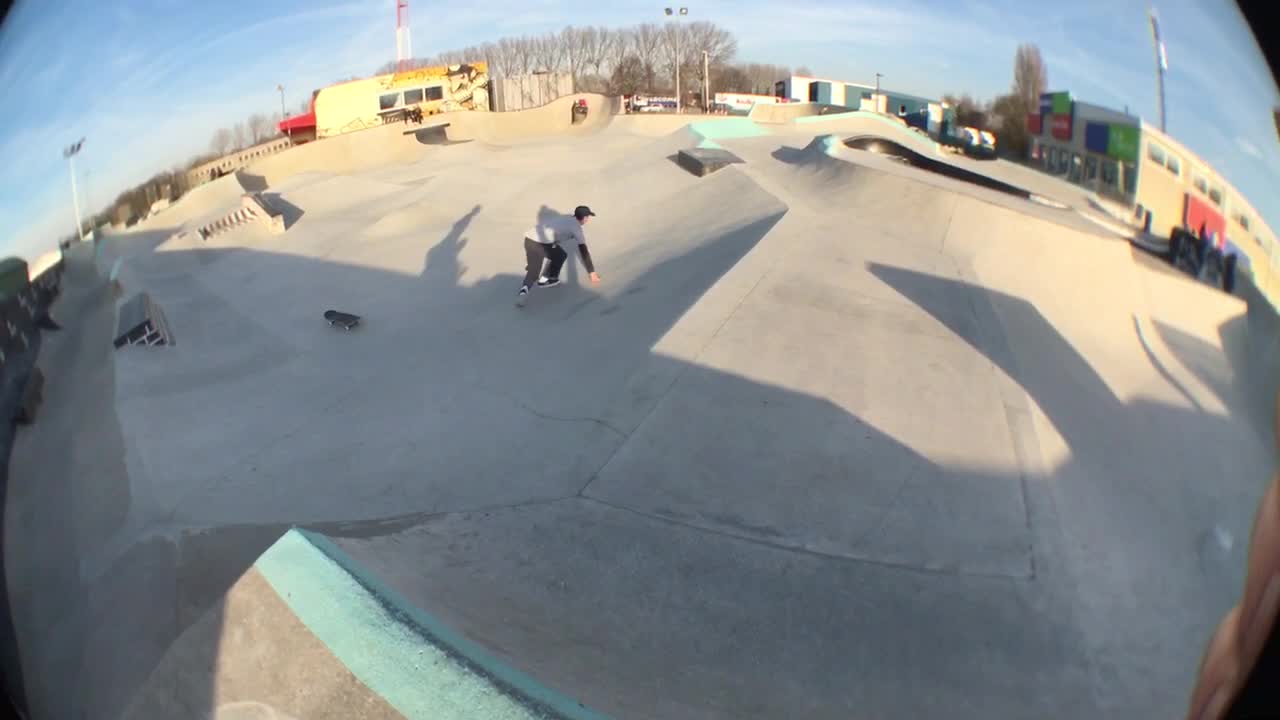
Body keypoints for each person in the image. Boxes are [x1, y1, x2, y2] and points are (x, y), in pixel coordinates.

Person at [516, 205, 601, 307]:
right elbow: (583, 250)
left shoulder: (567, 218)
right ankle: (549, 279)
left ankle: (523, 294)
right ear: (584, 218)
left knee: (534, 271)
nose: (588, 219)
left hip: (529, 239)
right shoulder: (576, 228)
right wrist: (591, 272)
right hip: (542, 243)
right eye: (587, 217)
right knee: (560, 255)